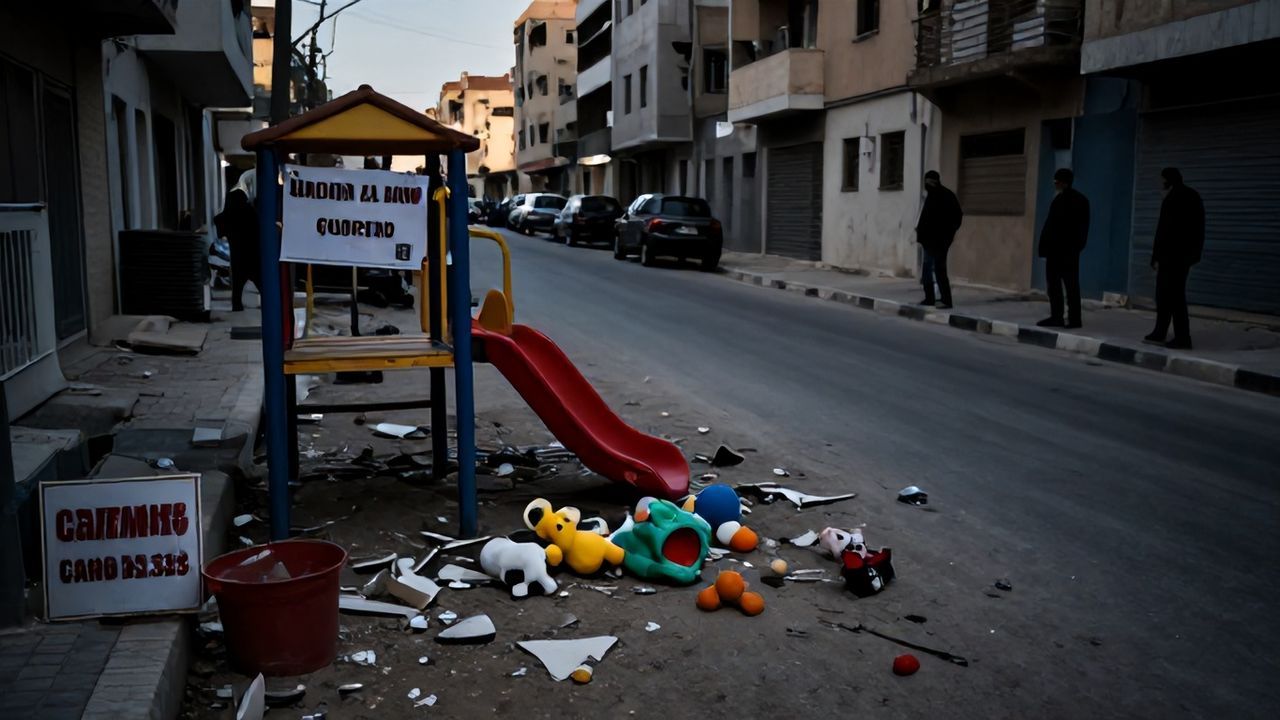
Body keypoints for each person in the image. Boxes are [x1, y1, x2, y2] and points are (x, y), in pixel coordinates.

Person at [1145, 168, 1204, 349]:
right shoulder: (1189, 195)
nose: (1160, 183)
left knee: (1174, 297)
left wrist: (1156, 256)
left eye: (1162, 180)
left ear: (1168, 180)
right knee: (1165, 295)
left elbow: (1164, 231)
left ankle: (1182, 338)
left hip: (1174, 257)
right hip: (1176, 257)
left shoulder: (1176, 198)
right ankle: (1160, 331)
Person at [1037, 168, 1090, 329]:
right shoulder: (1082, 200)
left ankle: (1057, 316)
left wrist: (1046, 247)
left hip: (1058, 251)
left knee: (1055, 285)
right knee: (1071, 285)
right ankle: (1074, 319)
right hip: (1070, 251)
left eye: (1056, 181)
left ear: (1062, 182)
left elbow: (1052, 226)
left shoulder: (1061, 200)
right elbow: (1084, 227)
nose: (1055, 184)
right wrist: (1077, 247)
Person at [915, 171, 964, 308]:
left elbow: (957, 217)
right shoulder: (929, 196)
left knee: (939, 269)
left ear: (936, 181)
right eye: (927, 182)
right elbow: (924, 217)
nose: (928, 185)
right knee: (928, 269)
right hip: (928, 240)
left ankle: (945, 300)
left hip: (940, 241)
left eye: (930, 182)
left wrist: (948, 234)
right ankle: (930, 298)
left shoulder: (946, 196)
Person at [213, 171, 260, 312]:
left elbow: (222, 223)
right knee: (259, 280)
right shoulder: (251, 208)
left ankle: (237, 306)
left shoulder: (233, 203)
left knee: (238, 285)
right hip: (253, 249)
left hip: (238, 250)